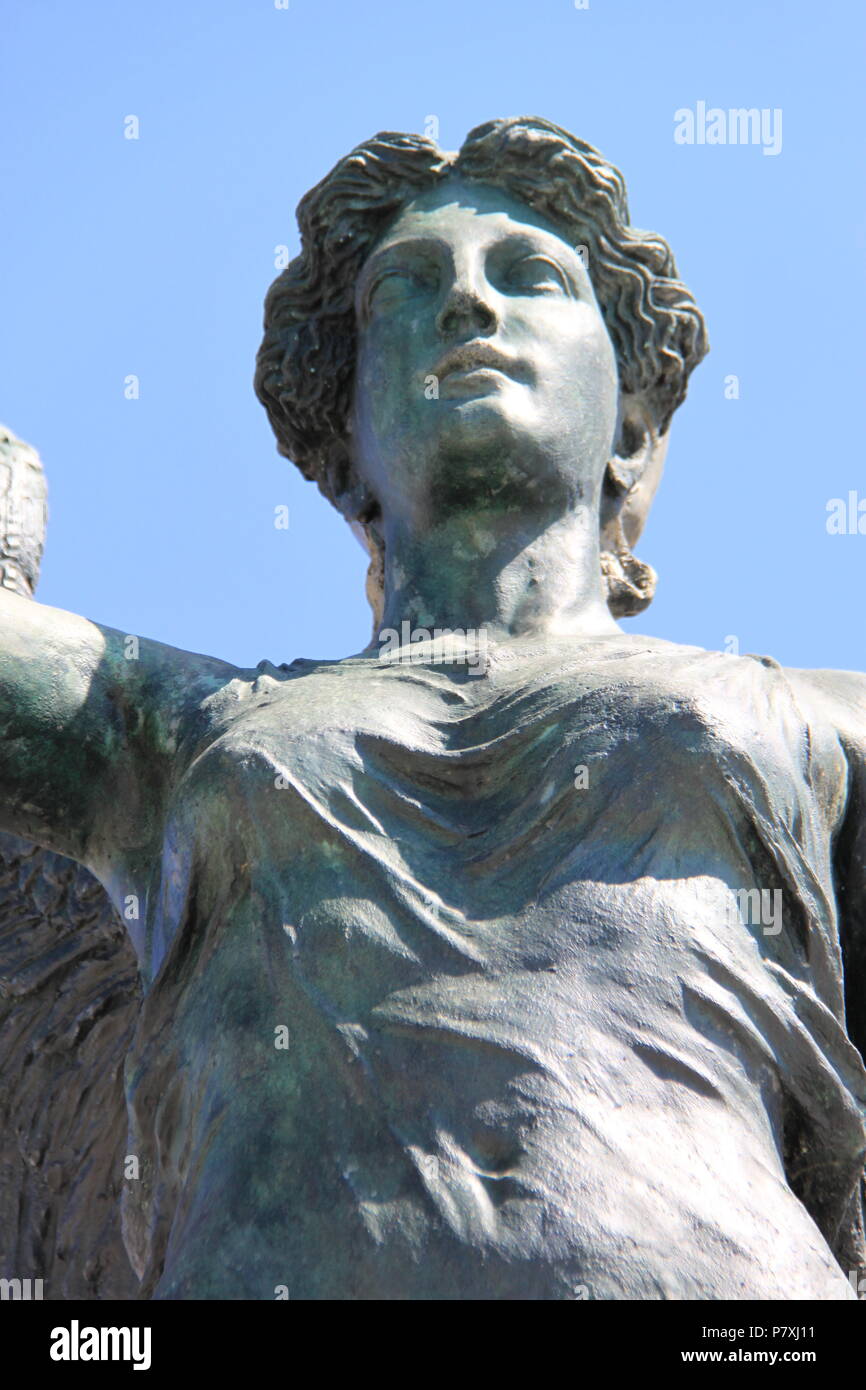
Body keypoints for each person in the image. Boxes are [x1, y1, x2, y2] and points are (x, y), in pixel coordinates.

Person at [1, 117, 863, 1300]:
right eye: (403, 290)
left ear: (629, 426)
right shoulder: (178, 727)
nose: (467, 304)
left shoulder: (812, 721)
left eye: (532, 277)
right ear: (343, 439)